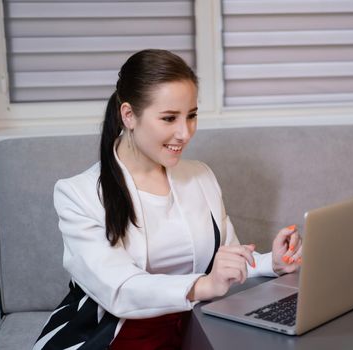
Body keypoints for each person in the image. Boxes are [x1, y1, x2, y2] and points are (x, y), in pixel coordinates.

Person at [33, 49, 302, 350]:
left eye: (191, 116)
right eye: (169, 118)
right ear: (129, 116)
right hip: (115, 336)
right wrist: (204, 285)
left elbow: (226, 263)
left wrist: (272, 263)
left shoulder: (200, 176)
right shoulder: (78, 194)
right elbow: (120, 290)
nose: (184, 133)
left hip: (195, 324)